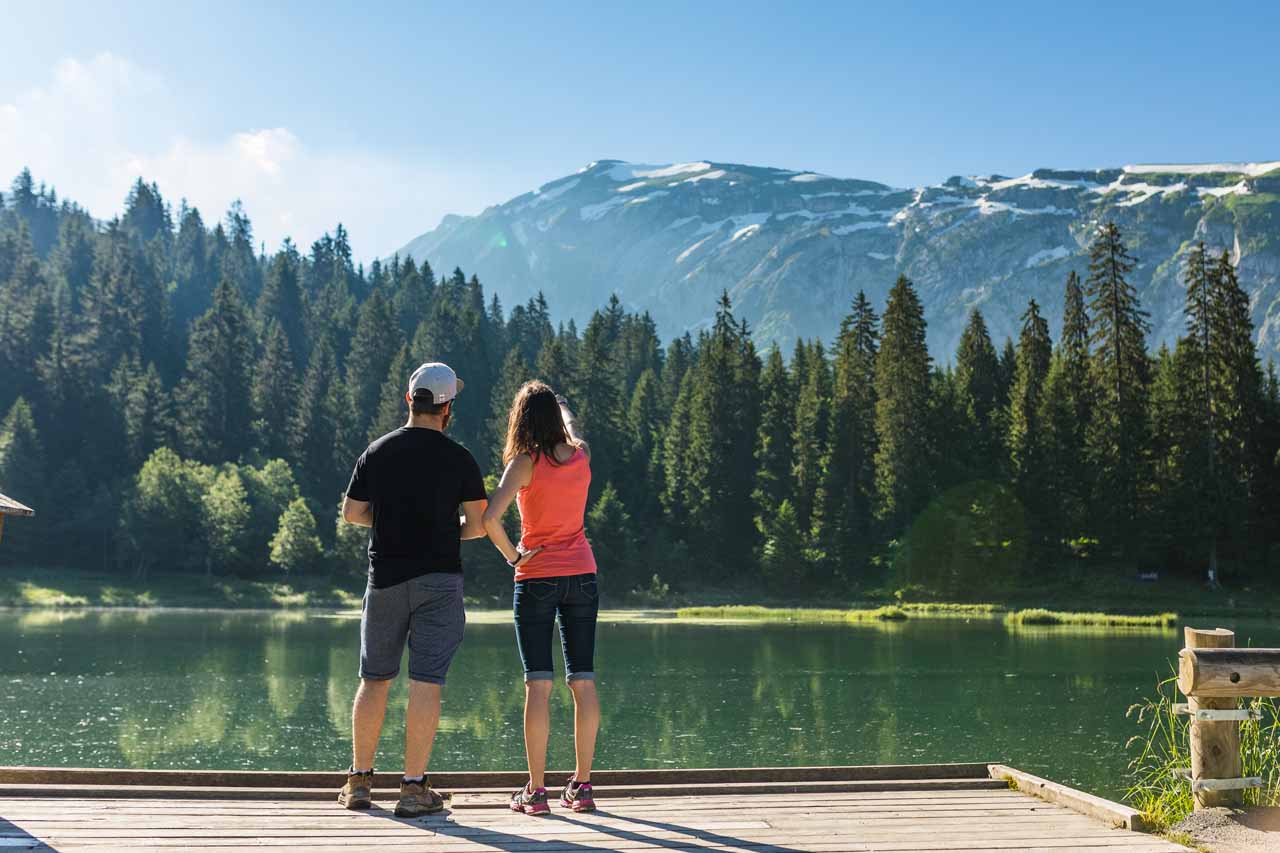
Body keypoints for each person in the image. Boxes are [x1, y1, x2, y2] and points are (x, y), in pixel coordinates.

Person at [337, 362, 488, 817]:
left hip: (384, 579)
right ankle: (412, 787)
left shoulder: (377, 451)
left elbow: (351, 512)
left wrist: (385, 523)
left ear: (409, 400)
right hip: (439, 581)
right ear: (448, 408)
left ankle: (359, 783)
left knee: (374, 678)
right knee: (427, 681)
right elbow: (479, 525)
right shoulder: (459, 457)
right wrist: (444, 531)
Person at [483, 381, 600, 816]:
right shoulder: (582, 455)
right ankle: (582, 787)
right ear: (557, 419)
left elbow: (490, 517)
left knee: (539, 683)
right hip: (583, 574)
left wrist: (514, 555)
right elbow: (571, 429)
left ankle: (536, 793)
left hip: (535, 577)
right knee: (583, 680)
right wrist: (564, 407)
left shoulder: (524, 463)